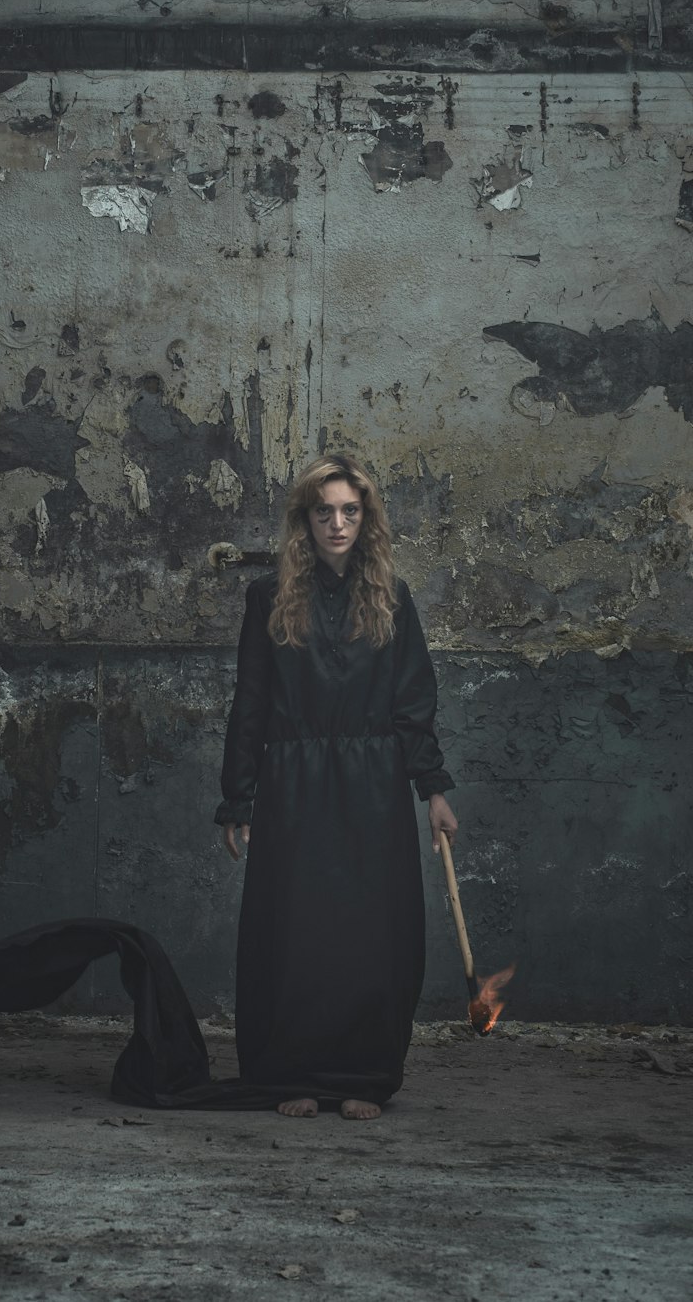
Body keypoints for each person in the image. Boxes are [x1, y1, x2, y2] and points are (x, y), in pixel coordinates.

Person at [215, 453, 458, 1120]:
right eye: (325, 511)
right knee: (296, 930)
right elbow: (252, 703)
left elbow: (414, 700)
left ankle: (364, 1075)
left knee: (370, 932)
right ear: (306, 520)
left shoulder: (392, 597)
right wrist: (239, 797)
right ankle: (290, 1073)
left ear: (366, 518)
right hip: (293, 780)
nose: (338, 523)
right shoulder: (268, 598)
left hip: (373, 785)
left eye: (350, 510)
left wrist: (432, 787)